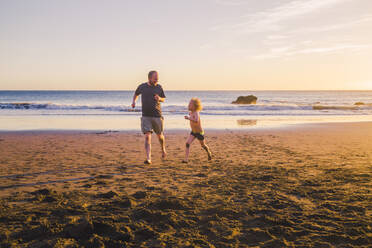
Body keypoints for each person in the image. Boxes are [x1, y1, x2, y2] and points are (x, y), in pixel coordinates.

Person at [132, 71, 166, 164]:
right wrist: (134, 102)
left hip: (157, 115)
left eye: (157, 77)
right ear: (149, 78)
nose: (157, 79)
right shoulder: (142, 86)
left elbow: (163, 98)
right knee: (147, 136)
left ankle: (163, 149)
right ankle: (148, 158)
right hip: (146, 116)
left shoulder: (159, 87)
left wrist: (159, 99)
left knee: (160, 136)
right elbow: (136, 94)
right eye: (155, 77)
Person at [183, 98, 212, 163]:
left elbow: (196, 120)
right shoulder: (191, 113)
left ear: (195, 106)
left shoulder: (196, 113)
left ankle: (208, 152)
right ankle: (186, 159)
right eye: (189, 104)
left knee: (203, 145)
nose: (189, 105)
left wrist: (189, 118)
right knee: (187, 143)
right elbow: (191, 118)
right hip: (193, 132)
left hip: (199, 132)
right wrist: (189, 116)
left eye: (190, 104)